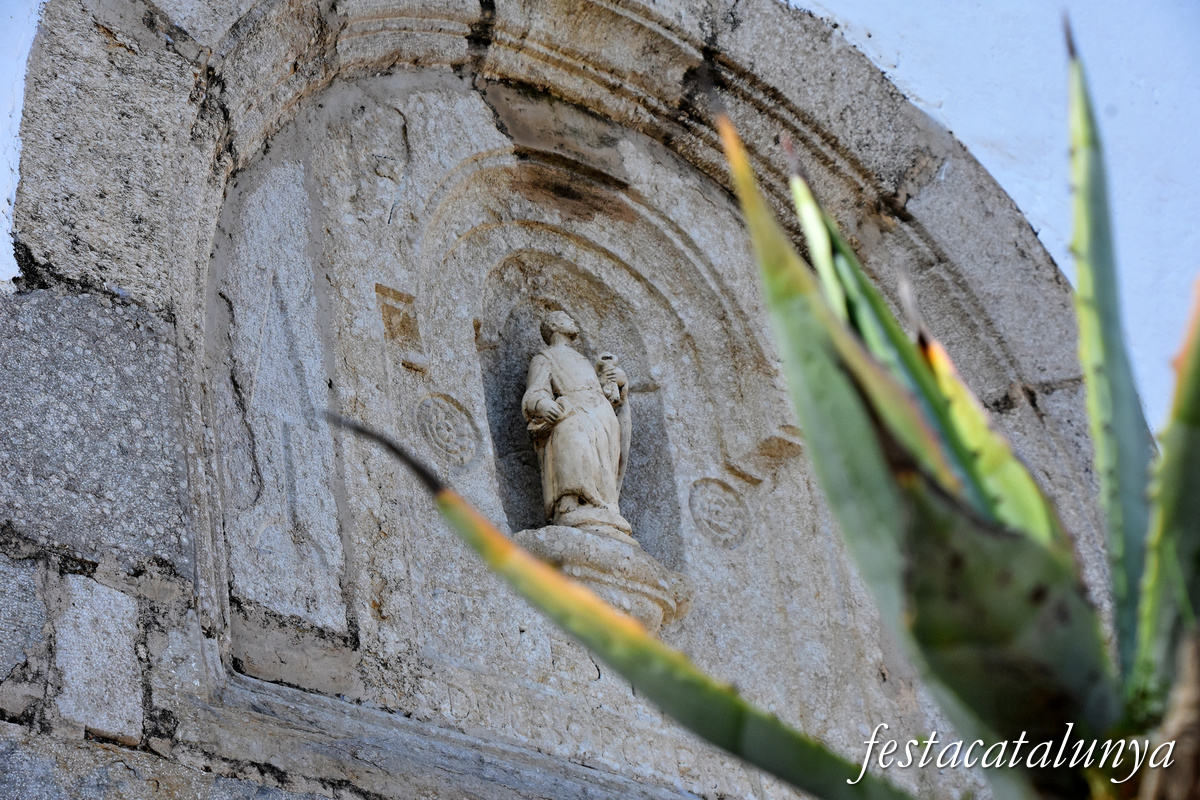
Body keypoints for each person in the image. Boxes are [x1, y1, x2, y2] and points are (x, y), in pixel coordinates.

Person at [522, 311, 632, 536]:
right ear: (554, 325)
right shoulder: (545, 357)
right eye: (566, 318)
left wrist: (617, 383)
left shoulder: (583, 360)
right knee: (572, 438)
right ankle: (570, 503)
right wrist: (542, 404)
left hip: (601, 415)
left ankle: (605, 506)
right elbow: (535, 391)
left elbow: (607, 392)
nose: (573, 320)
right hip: (572, 411)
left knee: (603, 461)